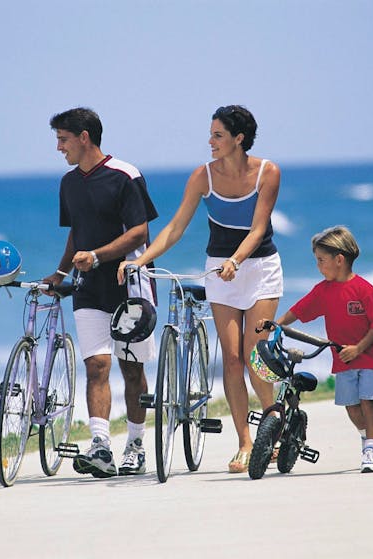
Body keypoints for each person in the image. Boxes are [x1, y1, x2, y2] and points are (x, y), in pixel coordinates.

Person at [118, 105, 283, 473]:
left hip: (259, 269)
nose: (210, 141)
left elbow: (258, 229)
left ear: (239, 139)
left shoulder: (267, 172)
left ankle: (273, 420)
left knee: (255, 355)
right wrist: (140, 262)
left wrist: (237, 261)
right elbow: (175, 227)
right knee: (232, 358)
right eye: (210, 134)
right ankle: (245, 441)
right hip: (218, 271)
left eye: (218, 135)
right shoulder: (202, 177)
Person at [43, 107, 158, 478]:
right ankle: (101, 447)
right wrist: (60, 273)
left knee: (131, 368)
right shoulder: (68, 183)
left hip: (131, 281)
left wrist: (97, 256)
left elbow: (139, 232)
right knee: (96, 365)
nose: (59, 148)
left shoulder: (126, 175)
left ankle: (136, 444)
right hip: (88, 286)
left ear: (84, 137)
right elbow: (77, 231)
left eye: (63, 140)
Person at [270, 225, 373, 473]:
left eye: (321, 260)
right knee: (351, 406)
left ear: (339, 260)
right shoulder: (323, 291)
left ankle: (370, 448)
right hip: (342, 360)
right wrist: (276, 324)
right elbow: (300, 309)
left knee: (368, 402)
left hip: (370, 357)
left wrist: (358, 349)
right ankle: (367, 436)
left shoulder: (364, 289)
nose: (318, 266)